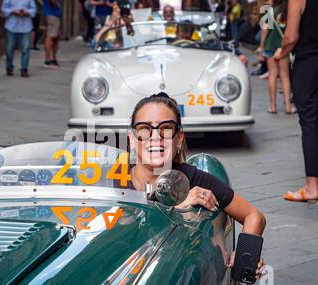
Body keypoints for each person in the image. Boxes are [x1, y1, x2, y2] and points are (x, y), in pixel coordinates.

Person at [128, 92, 266, 271]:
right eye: (144, 129)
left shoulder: (192, 179)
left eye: (166, 128)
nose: (156, 136)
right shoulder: (112, 176)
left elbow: (254, 216)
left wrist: (245, 258)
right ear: (132, 138)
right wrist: (178, 207)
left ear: (179, 138)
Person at [274, 0, 318, 202]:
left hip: (309, 64)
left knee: (310, 122)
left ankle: (312, 187)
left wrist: (281, 53)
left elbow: (291, 37)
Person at [260, 0, 294, 114]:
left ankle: (273, 106)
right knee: (285, 76)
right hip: (283, 47)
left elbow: (264, 31)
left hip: (270, 46)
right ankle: (288, 107)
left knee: (272, 75)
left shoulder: (268, 11)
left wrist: (261, 47)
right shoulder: (288, 10)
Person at [2, 0, 36, 77]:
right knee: (10, 48)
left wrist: (26, 12)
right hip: (11, 25)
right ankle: (9, 67)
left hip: (26, 25)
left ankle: (24, 69)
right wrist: (13, 11)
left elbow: (34, 10)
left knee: (26, 48)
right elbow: (4, 9)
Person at [43, 0, 62, 69]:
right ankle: (48, 60)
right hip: (52, 14)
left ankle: (53, 59)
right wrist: (57, 4)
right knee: (50, 36)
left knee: (55, 37)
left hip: (54, 14)